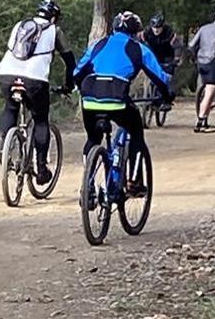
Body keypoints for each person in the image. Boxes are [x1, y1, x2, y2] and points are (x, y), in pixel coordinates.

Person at [73, 11, 172, 195]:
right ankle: (133, 181)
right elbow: (160, 78)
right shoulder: (138, 48)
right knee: (135, 131)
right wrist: (167, 96)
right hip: (117, 100)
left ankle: (87, 185)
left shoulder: (99, 44)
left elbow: (78, 71)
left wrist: (80, 87)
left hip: (90, 100)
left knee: (93, 139)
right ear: (136, 30)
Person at [0, 0, 76, 184]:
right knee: (41, 121)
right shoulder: (54, 30)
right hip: (34, 79)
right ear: (54, 17)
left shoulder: (20, 25)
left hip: (6, 73)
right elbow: (69, 61)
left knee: (10, 108)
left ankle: (4, 149)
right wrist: (68, 85)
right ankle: (41, 168)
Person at [187, 4, 215, 132]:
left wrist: (194, 58)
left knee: (206, 90)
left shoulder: (203, 28)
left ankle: (204, 118)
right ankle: (200, 121)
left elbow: (191, 45)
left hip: (201, 62)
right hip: (213, 62)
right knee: (210, 92)